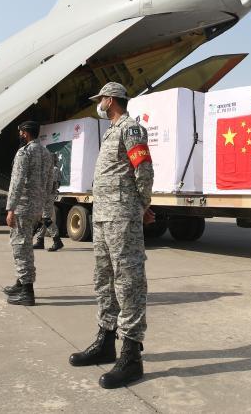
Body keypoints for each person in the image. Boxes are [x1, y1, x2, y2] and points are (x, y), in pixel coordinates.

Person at [69, 82, 155, 389]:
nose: (99, 104)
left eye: (101, 99)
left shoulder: (131, 129)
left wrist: (141, 205)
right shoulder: (110, 131)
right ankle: (106, 341)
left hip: (122, 216)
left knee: (128, 281)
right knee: (104, 279)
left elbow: (143, 170)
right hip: (104, 216)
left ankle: (131, 355)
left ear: (111, 100)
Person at [2, 120, 54, 306]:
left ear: (25, 133)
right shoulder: (46, 153)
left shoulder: (24, 152)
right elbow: (49, 183)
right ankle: (20, 283)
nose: (19, 135)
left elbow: (17, 182)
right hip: (35, 207)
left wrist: (11, 208)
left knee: (21, 247)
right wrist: (43, 207)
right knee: (25, 245)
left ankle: (27, 291)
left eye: (20, 132)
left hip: (22, 208)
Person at [34, 159, 63, 252]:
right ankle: (40, 241)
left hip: (47, 196)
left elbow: (52, 184)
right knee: (43, 219)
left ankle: (57, 241)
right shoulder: (52, 169)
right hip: (46, 195)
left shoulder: (54, 169)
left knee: (46, 219)